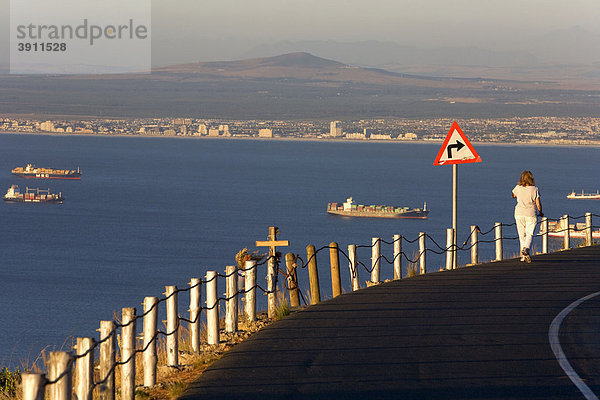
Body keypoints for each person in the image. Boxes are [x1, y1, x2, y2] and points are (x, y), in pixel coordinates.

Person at [512, 170, 543, 263]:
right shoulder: (535, 189)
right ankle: (526, 249)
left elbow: (513, 195)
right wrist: (541, 212)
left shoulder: (518, 187)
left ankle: (523, 256)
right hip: (531, 214)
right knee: (529, 234)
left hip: (519, 213)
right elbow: (538, 203)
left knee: (521, 235)